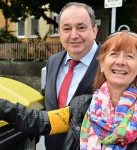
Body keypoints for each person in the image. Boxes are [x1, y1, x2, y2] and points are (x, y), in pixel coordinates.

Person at [0, 31, 137, 150]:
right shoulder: (83, 107)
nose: (120, 62)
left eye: (130, 56)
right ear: (102, 64)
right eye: (113, 55)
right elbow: (40, 121)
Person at [42, 2, 100, 149]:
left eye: (81, 28)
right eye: (67, 29)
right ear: (60, 33)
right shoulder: (53, 62)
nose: (74, 35)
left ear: (94, 30)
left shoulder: (110, 64)